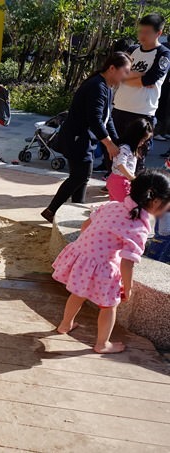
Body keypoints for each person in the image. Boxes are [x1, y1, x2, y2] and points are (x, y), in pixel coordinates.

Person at [53, 170, 170, 353]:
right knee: (109, 306)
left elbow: (85, 227)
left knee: (77, 294)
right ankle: (102, 344)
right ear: (155, 202)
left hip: (83, 257)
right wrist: (128, 286)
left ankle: (64, 325)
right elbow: (127, 262)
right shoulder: (138, 227)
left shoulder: (112, 205)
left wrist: (94, 251)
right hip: (102, 268)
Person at [41, 52, 131, 222]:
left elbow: (107, 118)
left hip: (84, 138)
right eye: (125, 71)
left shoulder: (107, 87)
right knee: (80, 176)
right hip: (76, 137)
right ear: (112, 68)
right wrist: (109, 144)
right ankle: (51, 210)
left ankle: (74, 209)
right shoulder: (96, 86)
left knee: (81, 176)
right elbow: (95, 120)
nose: (126, 76)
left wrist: (117, 141)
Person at [107, 14, 170, 175]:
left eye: (147, 32)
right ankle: (112, 181)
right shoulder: (132, 50)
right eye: (140, 31)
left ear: (158, 33)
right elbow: (115, 73)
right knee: (115, 148)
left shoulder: (163, 54)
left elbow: (150, 79)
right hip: (120, 107)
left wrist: (128, 75)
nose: (142, 36)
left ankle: (133, 188)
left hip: (142, 112)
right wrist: (137, 76)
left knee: (137, 154)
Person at [107, 118, 153, 202]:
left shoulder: (129, 148)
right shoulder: (125, 148)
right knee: (126, 205)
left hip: (118, 181)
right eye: (142, 140)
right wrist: (132, 178)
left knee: (116, 206)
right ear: (135, 136)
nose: (143, 143)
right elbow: (120, 164)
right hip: (119, 182)